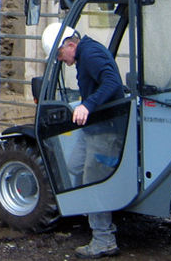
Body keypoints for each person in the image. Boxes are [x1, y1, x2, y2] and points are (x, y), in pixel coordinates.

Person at [42, 22, 125, 259]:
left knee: (93, 180)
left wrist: (88, 105)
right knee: (73, 167)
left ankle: (104, 239)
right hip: (93, 128)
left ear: (70, 44)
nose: (59, 59)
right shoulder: (85, 54)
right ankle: (88, 216)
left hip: (105, 129)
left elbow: (112, 82)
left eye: (59, 54)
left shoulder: (91, 53)